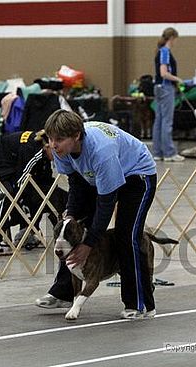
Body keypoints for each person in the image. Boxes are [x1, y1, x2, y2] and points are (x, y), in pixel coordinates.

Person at [35, 109, 158, 319]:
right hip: (93, 176)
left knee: (126, 236)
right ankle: (65, 293)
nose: (53, 145)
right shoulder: (61, 150)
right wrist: (71, 216)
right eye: (51, 139)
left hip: (137, 175)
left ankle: (140, 303)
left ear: (76, 136)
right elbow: (75, 184)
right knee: (71, 231)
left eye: (59, 140)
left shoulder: (102, 152)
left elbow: (106, 204)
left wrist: (89, 243)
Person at [0, 130, 67, 246]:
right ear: (49, 146)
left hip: (8, 162)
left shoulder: (43, 155)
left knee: (40, 192)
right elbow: (22, 180)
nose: (62, 157)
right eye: (58, 153)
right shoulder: (34, 151)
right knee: (4, 194)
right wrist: (21, 205)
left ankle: (27, 232)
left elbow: (44, 185)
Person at [152, 27, 185, 162]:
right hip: (166, 88)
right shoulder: (165, 52)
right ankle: (169, 153)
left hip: (158, 88)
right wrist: (178, 79)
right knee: (167, 121)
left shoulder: (160, 51)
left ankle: (158, 152)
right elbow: (164, 73)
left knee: (159, 120)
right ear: (172, 38)